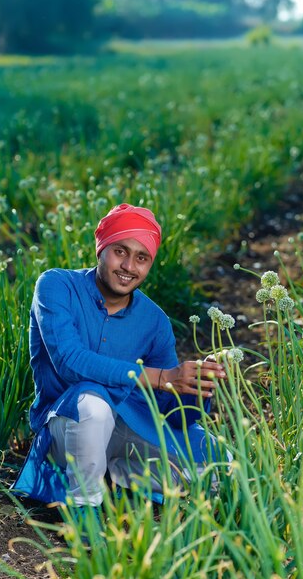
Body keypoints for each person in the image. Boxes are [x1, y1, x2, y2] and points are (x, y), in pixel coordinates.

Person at [12, 203, 226, 508]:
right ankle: (83, 506)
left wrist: (196, 387)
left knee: (220, 464)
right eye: (120, 251)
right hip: (65, 429)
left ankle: (116, 477)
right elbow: (70, 361)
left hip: (127, 429)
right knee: (93, 403)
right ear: (101, 248)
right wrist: (162, 377)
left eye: (142, 258)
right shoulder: (57, 286)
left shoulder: (154, 321)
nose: (128, 266)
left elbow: (171, 414)